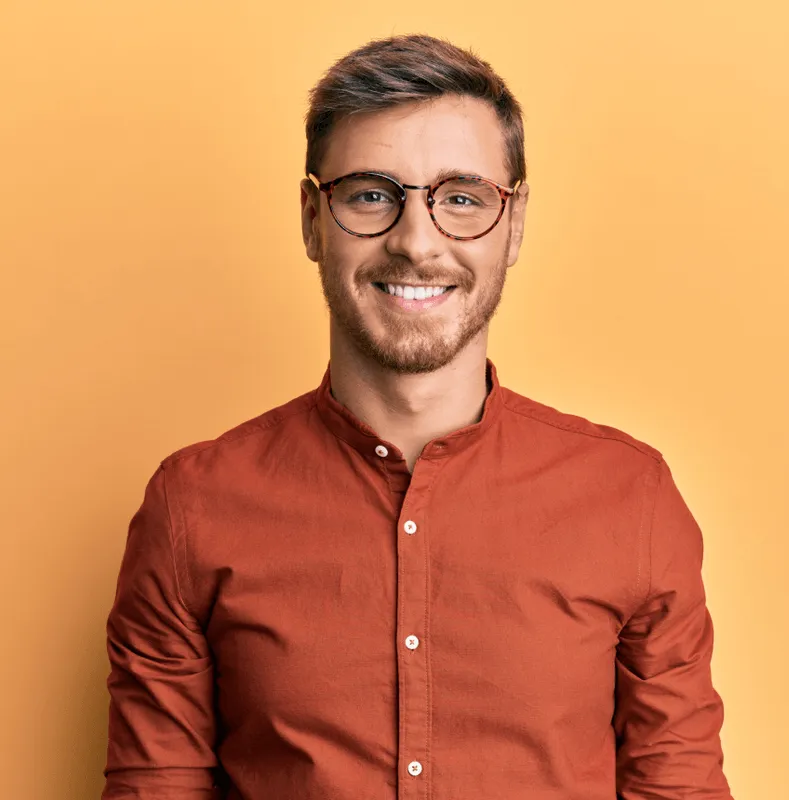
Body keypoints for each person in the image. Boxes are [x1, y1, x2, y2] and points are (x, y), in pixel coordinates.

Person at [101, 33, 734, 800]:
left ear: (516, 222)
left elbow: (680, 786)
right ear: (311, 218)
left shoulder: (629, 498)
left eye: (461, 198)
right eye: (371, 194)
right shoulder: (192, 506)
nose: (416, 241)